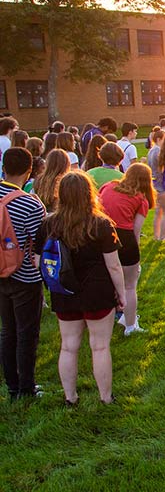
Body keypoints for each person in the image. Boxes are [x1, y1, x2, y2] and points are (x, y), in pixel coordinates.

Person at [33, 171, 126, 405]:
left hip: (64, 290)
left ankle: (70, 397)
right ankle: (106, 397)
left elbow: (38, 261)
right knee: (100, 346)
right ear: (89, 194)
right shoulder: (101, 224)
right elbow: (114, 265)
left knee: (69, 346)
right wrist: (122, 294)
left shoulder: (49, 224)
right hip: (97, 293)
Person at [0, 148, 45, 401]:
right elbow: (39, 240)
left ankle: (11, 385)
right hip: (24, 274)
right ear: (29, 171)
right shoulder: (29, 202)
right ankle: (26, 386)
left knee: (7, 329)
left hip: (0, 272)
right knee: (26, 332)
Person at [98, 163, 154, 335]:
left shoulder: (108, 187)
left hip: (100, 235)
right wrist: (136, 259)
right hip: (124, 239)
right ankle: (130, 325)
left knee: (105, 282)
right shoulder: (140, 198)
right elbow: (136, 232)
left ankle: (103, 320)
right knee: (130, 285)